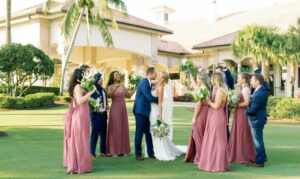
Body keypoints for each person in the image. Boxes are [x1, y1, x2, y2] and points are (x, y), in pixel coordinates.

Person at [63, 68, 96, 174]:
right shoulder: (77, 86)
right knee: (80, 140)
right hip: (80, 115)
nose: (86, 75)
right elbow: (79, 100)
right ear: (80, 75)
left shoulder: (81, 86)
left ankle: (82, 164)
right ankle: (79, 165)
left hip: (84, 114)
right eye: (85, 74)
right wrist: (91, 92)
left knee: (83, 139)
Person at [148, 72, 185, 161]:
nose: (157, 75)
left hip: (155, 111)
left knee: (157, 130)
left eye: (159, 75)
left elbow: (160, 103)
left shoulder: (160, 88)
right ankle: (153, 149)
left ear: (163, 79)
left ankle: (159, 151)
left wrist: (160, 116)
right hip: (151, 110)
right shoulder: (155, 85)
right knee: (152, 131)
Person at [198, 72, 230, 172]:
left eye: (211, 79)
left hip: (217, 116)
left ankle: (219, 164)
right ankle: (211, 162)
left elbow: (216, 106)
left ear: (215, 79)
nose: (210, 81)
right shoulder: (215, 89)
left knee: (218, 140)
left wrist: (207, 101)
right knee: (211, 139)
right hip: (212, 115)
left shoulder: (221, 91)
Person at [228, 73, 256, 164]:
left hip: (243, 114)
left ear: (244, 80)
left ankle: (243, 155)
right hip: (239, 113)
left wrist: (236, 105)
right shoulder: (243, 89)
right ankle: (238, 153)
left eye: (239, 78)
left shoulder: (246, 89)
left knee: (242, 132)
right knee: (239, 132)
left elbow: (247, 103)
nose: (237, 79)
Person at [106, 71, 135, 157]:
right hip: (115, 108)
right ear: (112, 77)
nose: (118, 76)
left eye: (118, 74)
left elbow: (129, 95)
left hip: (123, 108)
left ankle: (124, 150)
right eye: (116, 75)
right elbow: (109, 96)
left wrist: (135, 88)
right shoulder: (110, 86)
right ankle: (114, 150)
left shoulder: (122, 86)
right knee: (116, 128)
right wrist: (115, 88)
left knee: (123, 127)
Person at [185, 72, 211, 163]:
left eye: (197, 78)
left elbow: (199, 104)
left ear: (201, 79)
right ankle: (202, 156)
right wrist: (191, 76)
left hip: (201, 113)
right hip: (206, 112)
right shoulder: (205, 88)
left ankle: (200, 158)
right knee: (202, 135)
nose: (196, 80)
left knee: (197, 135)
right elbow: (196, 87)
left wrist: (194, 117)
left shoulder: (202, 89)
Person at [133, 67, 158, 161]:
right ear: (151, 74)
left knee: (148, 132)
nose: (156, 75)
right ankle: (138, 154)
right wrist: (160, 100)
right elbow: (149, 97)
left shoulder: (147, 81)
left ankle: (150, 152)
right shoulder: (144, 82)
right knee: (139, 133)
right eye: (155, 73)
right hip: (140, 111)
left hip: (145, 111)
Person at [246, 74, 269, 167]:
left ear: (257, 81)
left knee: (257, 141)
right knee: (258, 140)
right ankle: (263, 157)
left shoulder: (259, 93)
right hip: (259, 118)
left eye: (252, 80)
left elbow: (253, 110)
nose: (251, 81)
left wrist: (245, 111)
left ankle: (259, 161)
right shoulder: (261, 90)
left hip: (256, 119)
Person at [89, 72, 108, 158]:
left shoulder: (103, 89)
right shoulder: (93, 89)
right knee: (95, 133)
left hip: (104, 114)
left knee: (103, 133)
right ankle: (91, 152)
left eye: (102, 79)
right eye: (100, 79)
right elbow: (91, 101)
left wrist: (106, 105)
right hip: (96, 115)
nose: (101, 80)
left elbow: (105, 99)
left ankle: (103, 151)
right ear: (96, 80)